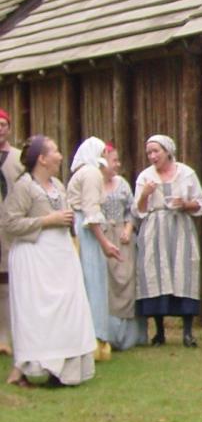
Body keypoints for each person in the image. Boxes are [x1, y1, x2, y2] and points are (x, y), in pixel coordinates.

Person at [3, 136, 96, 387]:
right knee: (39, 313)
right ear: (42, 159)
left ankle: (64, 369)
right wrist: (47, 221)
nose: (60, 155)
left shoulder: (57, 184)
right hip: (34, 258)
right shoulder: (25, 186)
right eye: (55, 151)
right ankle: (35, 368)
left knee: (67, 308)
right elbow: (9, 223)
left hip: (60, 256)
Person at [67, 137, 147, 353]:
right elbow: (91, 213)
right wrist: (104, 242)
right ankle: (96, 338)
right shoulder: (91, 173)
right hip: (88, 232)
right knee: (93, 282)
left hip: (86, 229)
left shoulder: (85, 173)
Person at [134, 134, 202, 347]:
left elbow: (201, 203)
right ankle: (159, 332)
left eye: (156, 151)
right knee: (156, 274)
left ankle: (187, 332)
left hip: (180, 227)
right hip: (154, 229)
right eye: (149, 152)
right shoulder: (145, 177)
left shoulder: (186, 173)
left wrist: (184, 204)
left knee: (183, 274)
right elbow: (137, 211)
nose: (152, 156)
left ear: (167, 151)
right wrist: (145, 195)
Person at [0, 109, 22, 356]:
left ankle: (7, 337)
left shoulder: (18, 158)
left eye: (3, 124)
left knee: (8, 281)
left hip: (10, 228)